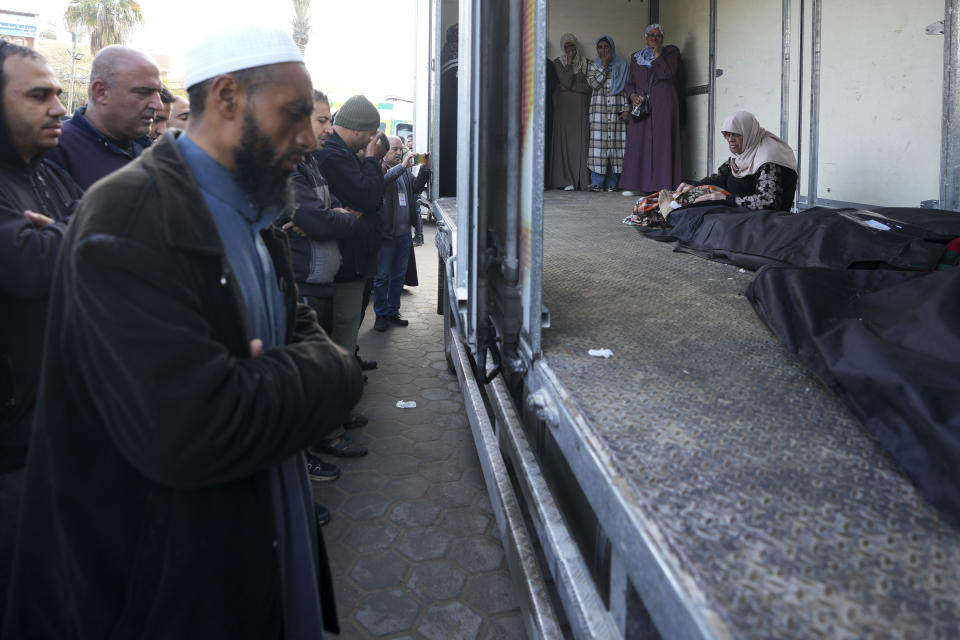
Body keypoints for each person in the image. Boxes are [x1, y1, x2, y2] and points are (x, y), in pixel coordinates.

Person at [2, 25, 362, 638]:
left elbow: (313, 343)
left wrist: (281, 375)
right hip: (169, 587)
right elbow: (196, 428)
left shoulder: (258, 211)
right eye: (294, 114)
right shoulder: (131, 213)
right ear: (226, 97)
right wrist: (326, 375)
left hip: (260, 539)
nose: (309, 137)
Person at [0, 42, 83, 628]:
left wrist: (64, 232)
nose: (58, 107)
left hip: (59, 430)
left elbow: (106, 236)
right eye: (38, 95)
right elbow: (29, 266)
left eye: (57, 92)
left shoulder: (47, 174)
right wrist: (79, 235)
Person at [280, 89, 369, 480]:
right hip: (303, 282)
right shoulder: (286, 169)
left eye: (329, 120)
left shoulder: (311, 164)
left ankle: (324, 436)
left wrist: (329, 215)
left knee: (322, 367)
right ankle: (312, 449)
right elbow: (319, 220)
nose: (329, 129)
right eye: (322, 121)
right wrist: (339, 217)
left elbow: (322, 215)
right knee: (309, 373)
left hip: (320, 279)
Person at [312, 95, 386, 458]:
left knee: (345, 338)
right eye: (319, 121)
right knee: (339, 345)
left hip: (350, 263)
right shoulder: (334, 156)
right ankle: (332, 428)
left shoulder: (334, 156)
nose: (325, 130)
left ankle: (338, 416)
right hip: (343, 267)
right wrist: (371, 162)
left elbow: (368, 200)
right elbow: (370, 196)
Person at [44, 45, 162, 189]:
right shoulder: (55, 149)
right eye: (143, 92)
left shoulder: (149, 151)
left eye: (158, 93)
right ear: (100, 92)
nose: (158, 105)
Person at [678, 111, 798, 211]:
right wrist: (694, 186)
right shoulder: (742, 154)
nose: (730, 140)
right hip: (743, 214)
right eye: (727, 135)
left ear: (748, 134)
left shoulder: (768, 158)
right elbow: (721, 178)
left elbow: (768, 201)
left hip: (767, 222)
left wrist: (726, 199)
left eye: (735, 135)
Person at [620, 24, 683, 197]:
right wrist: (632, 95)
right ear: (645, 37)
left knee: (661, 143)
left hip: (663, 104)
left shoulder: (670, 54)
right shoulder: (636, 57)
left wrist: (657, 54)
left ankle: (662, 185)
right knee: (638, 142)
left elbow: (666, 75)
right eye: (651, 35)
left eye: (658, 36)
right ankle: (635, 185)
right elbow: (629, 82)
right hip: (641, 106)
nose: (654, 38)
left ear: (662, 39)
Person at [374, 136, 429, 332]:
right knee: (382, 277)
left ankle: (392, 311)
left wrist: (425, 169)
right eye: (394, 149)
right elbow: (381, 183)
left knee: (398, 276)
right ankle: (380, 315)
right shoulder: (379, 168)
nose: (398, 153)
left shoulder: (404, 171)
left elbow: (415, 189)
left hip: (404, 234)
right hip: (387, 235)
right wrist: (402, 168)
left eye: (401, 149)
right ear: (385, 151)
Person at [586, 35, 629, 192]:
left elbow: (626, 88)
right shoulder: (593, 65)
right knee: (599, 146)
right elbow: (593, 84)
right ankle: (596, 182)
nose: (603, 50)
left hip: (617, 111)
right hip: (599, 112)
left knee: (616, 147)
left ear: (611, 48)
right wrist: (603, 66)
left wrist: (626, 109)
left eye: (606, 47)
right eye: (600, 47)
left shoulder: (622, 64)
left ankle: (613, 183)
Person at [549, 33, 591, 191]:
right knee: (565, 143)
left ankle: (580, 181)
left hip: (581, 109)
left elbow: (589, 87)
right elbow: (566, 79)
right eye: (567, 46)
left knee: (581, 143)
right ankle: (566, 180)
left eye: (572, 46)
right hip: (565, 111)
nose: (570, 49)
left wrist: (570, 88)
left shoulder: (586, 63)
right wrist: (569, 62)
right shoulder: (558, 62)